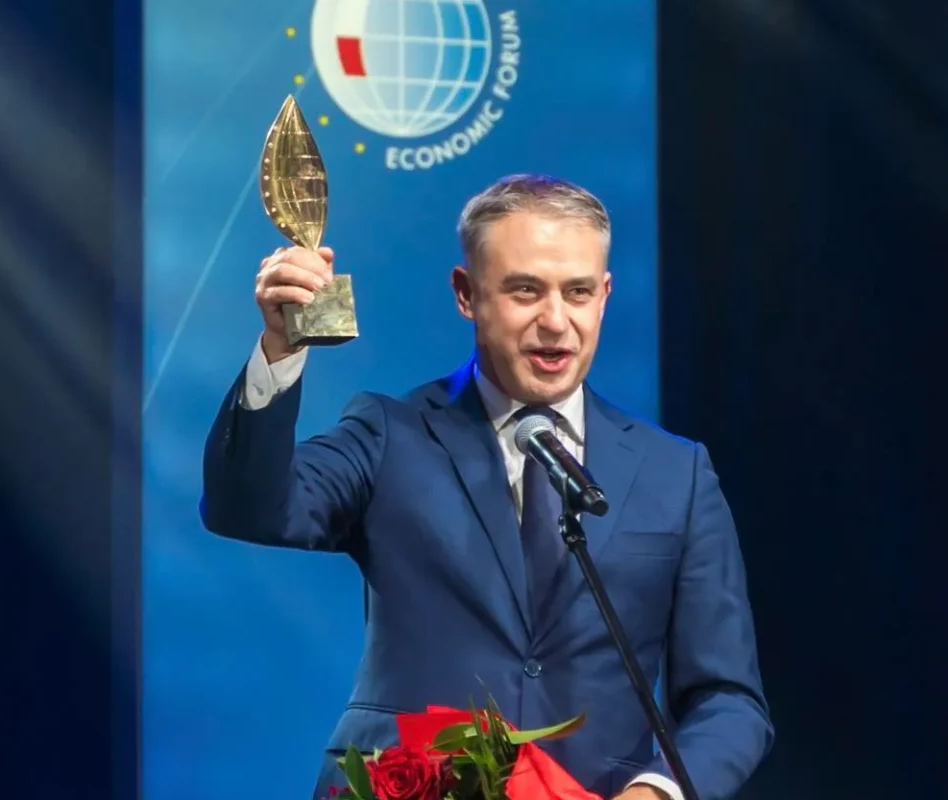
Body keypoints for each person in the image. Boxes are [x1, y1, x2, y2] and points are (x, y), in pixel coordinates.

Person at [201, 174, 772, 799]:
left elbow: (729, 700)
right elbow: (247, 509)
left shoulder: (676, 474)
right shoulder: (390, 435)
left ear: (605, 296)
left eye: (577, 292)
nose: (555, 321)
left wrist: (656, 793)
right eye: (525, 290)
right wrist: (281, 347)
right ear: (466, 294)